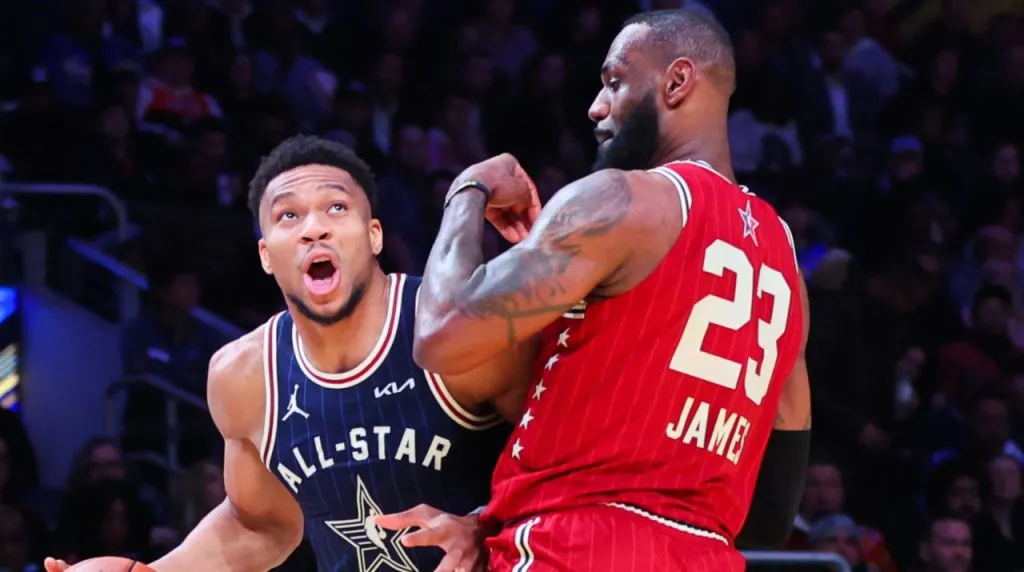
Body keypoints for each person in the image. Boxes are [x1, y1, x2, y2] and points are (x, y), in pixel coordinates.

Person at [379, 9, 811, 571]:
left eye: (613, 82)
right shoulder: (785, 263)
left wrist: (469, 189)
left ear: (676, 81)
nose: (596, 106)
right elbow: (774, 514)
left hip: (576, 547)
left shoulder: (622, 200)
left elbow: (439, 334)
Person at [46, 135, 531, 572]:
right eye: (288, 215)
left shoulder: (455, 328)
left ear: (374, 236)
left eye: (336, 208)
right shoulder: (244, 375)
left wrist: (481, 524)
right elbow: (259, 525)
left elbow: (571, 464)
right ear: (264, 254)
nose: (313, 229)